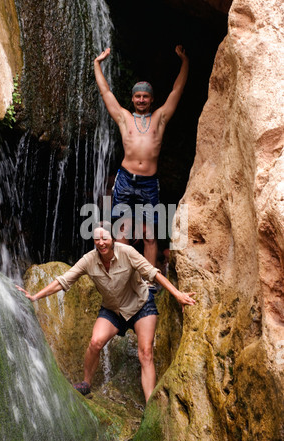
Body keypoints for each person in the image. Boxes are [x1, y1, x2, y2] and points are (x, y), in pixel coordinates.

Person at [16, 222, 195, 403]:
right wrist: (35, 296)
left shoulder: (127, 252)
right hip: (112, 310)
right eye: (97, 239)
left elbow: (154, 273)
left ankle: (150, 405)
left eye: (105, 238)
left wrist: (178, 295)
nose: (101, 243)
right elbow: (63, 281)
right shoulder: (89, 259)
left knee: (146, 352)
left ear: (113, 239)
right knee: (95, 342)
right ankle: (86, 383)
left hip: (141, 306)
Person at [94, 45, 189, 269]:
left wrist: (185, 62)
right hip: (126, 179)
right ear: (132, 98)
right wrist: (97, 64)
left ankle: (149, 281)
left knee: (149, 234)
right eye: (138, 96)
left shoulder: (160, 118)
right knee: (123, 230)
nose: (141, 100)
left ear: (152, 99)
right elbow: (106, 93)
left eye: (145, 97)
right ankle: (121, 275)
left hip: (148, 183)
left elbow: (177, 90)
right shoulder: (124, 117)